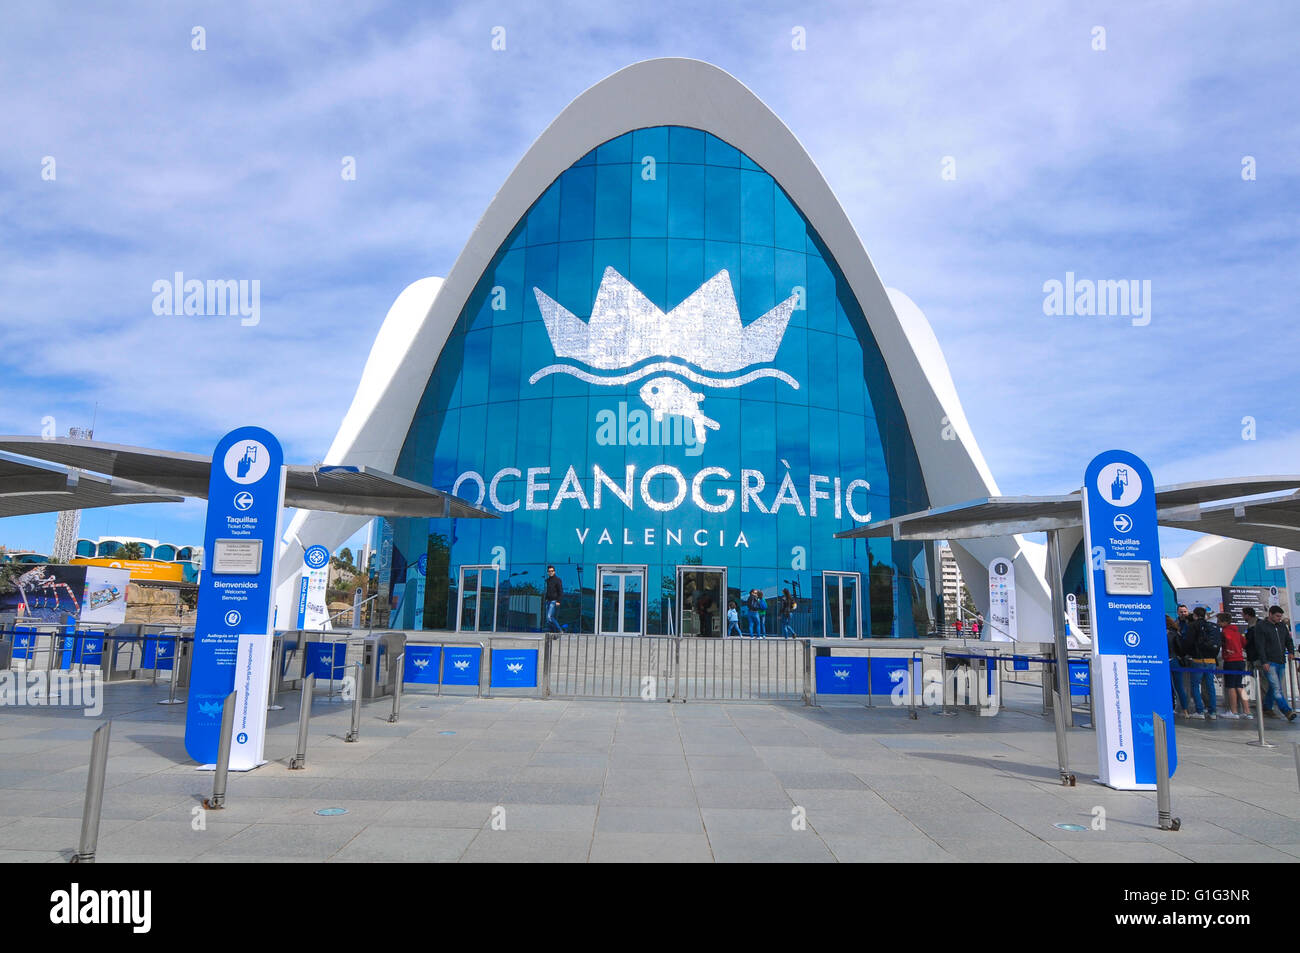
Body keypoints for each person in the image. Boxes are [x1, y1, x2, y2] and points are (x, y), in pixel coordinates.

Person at [1244, 605, 1297, 721]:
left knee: (1273, 688)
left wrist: (1291, 651)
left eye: (1280, 616)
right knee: (1277, 688)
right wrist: (1264, 661)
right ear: (1270, 614)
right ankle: (1287, 711)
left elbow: (1288, 640)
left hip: (1281, 660)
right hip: (1269, 661)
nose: (1279, 618)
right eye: (1277, 616)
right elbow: (1260, 646)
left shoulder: (1282, 626)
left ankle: (1267, 706)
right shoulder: (1261, 627)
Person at [1184, 606, 1220, 720]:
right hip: (1211, 660)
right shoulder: (1213, 626)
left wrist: (1188, 653)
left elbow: (1188, 643)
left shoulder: (1193, 625)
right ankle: (1212, 711)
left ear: (1195, 615)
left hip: (1198, 659)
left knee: (1195, 686)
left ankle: (1199, 711)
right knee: (1210, 686)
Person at [1217, 612, 1250, 719]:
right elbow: (1244, 643)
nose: (1218, 623)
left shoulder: (1225, 632)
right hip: (1240, 660)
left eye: (1219, 621)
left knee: (1231, 687)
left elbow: (1228, 642)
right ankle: (1247, 711)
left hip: (1231, 661)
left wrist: (1228, 651)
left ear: (1224, 621)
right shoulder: (1237, 632)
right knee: (1240, 686)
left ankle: (1234, 711)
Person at [1166, 615, 1191, 716]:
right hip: (1175, 660)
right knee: (1179, 686)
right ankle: (1185, 710)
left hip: (1164, 661)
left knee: (1168, 686)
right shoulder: (1176, 633)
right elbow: (1180, 648)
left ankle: (1171, 707)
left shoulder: (1158, 633)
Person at [544, 565, 563, 633]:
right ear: (548, 572)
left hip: (553, 601)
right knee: (548, 619)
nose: (551, 572)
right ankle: (552, 630)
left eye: (552, 571)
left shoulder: (558, 580)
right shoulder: (548, 580)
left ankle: (559, 629)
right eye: (549, 571)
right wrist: (546, 599)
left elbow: (560, 591)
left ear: (554, 572)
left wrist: (558, 601)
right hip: (548, 601)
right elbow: (548, 591)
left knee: (550, 617)